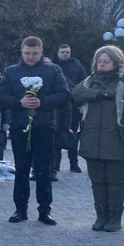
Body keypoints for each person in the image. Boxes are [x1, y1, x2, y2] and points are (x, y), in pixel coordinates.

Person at [0, 36, 70, 225]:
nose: (31, 57)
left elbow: (64, 94)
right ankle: (20, 210)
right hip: (19, 126)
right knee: (21, 169)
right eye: (27, 53)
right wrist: (18, 102)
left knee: (43, 170)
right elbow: (1, 95)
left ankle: (45, 211)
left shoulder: (52, 70)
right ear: (21, 52)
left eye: (35, 53)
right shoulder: (12, 72)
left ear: (41, 52)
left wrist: (42, 102)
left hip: (44, 126)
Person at [71, 46, 124, 232]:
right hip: (92, 140)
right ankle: (100, 216)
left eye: (106, 61)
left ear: (116, 63)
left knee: (115, 183)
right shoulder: (89, 82)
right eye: (99, 61)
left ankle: (114, 218)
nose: (102, 65)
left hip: (117, 140)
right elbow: (76, 94)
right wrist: (100, 94)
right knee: (97, 182)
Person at [52, 44, 87, 174]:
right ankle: (55, 164)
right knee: (55, 135)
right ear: (58, 53)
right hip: (56, 106)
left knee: (72, 135)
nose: (65, 54)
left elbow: (84, 83)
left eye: (67, 52)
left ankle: (74, 163)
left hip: (73, 106)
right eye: (63, 52)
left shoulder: (77, 66)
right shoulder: (53, 66)